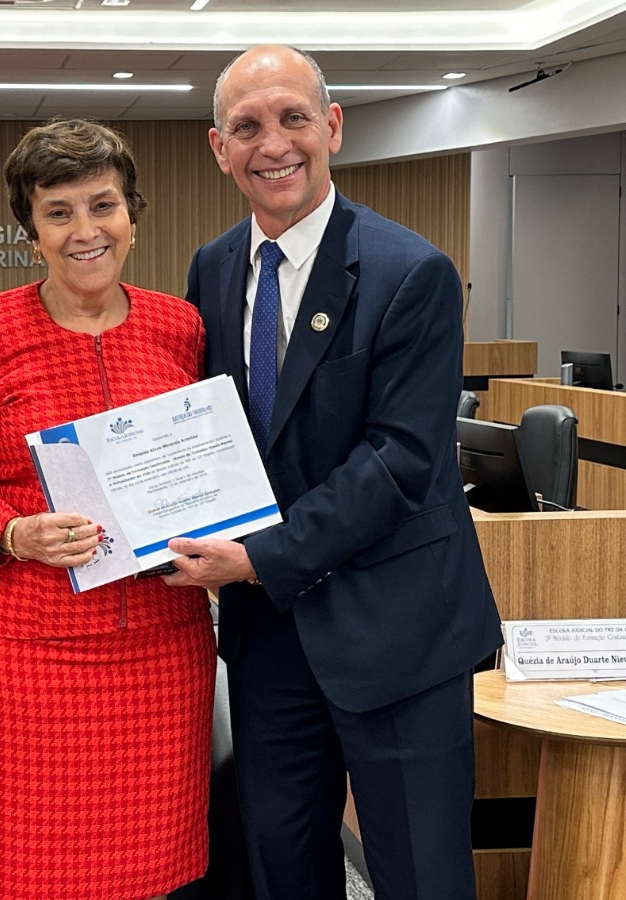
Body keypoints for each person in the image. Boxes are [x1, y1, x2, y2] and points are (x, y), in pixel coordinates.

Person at [167, 45, 502, 900]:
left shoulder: (410, 273)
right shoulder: (210, 270)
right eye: (247, 127)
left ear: (333, 129)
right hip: (269, 638)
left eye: (292, 118)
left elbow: (399, 463)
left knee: (419, 876)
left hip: (397, 630)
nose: (272, 143)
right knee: (281, 868)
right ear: (218, 148)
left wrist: (256, 556)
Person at [0, 118, 215, 900]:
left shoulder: (179, 327)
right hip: (26, 660)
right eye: (59, 212)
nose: (86, 231)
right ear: (31, 229)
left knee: (154, 872)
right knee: (22, 874)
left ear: (131, 214)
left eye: (103, 205)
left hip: (160, 647)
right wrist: (11, 532)